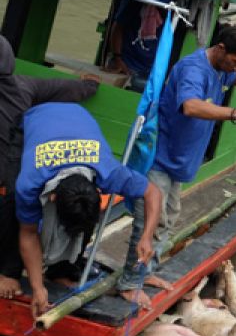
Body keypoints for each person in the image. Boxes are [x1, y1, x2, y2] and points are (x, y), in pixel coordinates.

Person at [116, 25, 236, 306]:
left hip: (180, 159)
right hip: (160, 156)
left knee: (169, 217)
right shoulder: (193, 69)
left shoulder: (222, 66)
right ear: (221, 49)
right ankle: (129, 283)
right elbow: (191, 107)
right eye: (235, 61)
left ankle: (144, 273)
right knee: (150, 219)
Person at [13, 103, 163, 317]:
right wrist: (37, 288)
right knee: (13, 205)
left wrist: (146, 237)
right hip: (34, 118)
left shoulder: (108, 171)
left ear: (98, 189)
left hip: (77, 114)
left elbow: (153, 193)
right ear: (53, 198)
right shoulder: (30, 182)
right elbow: (28, 233)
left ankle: (59, 271)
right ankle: (9, 269)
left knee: (81, 223)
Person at [0, 36, 100, 301]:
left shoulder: (23, 87)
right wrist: (88, 85)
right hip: (13, 170)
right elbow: (65, 89)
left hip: (12, 173)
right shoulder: (24, 86)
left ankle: (11, 270)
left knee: (14, 200)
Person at [105, 0, 165, 92]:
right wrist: (118, 59)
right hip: (126, 64)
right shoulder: (134, 0)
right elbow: (118, 27)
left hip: (149, 70)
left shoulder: (170, 10)